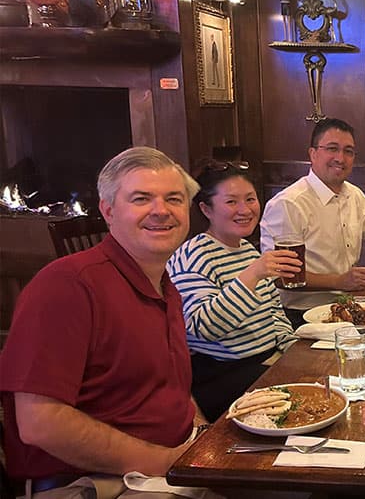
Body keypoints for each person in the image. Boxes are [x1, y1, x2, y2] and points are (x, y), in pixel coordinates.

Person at [0, 147, 216, 497]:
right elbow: (41, 424)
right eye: (142, 198)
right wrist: (166, 463)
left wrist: (205, 438)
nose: (161, 211)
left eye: (174, 199)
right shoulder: (68, 285)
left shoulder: (164, 286)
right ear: (108, 210)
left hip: (171, 465)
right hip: (90, 483)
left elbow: (168, 388)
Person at [166, 160, 300, 420]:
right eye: (231, 202)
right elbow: (205, 328)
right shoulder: (193, 256)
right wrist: (252, 274)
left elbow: (274, 312)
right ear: (206, 209)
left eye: (250, 199)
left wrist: (291, 352)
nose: (245, 209)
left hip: (267, 363)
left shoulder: (247, 250)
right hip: (222, 375)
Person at [260, 118, 365, 314]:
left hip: (347, 305)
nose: (340, 158)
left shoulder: (353, 195)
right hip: (297, 313)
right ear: (313, 154)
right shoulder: (289, 203)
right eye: (332, 149)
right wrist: (338, 281)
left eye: (348, 151)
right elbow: (278, 275)